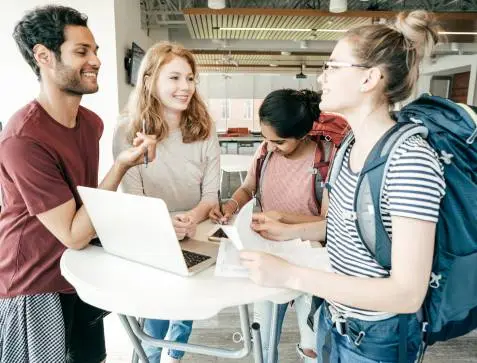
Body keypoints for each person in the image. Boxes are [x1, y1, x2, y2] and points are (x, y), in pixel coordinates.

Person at [241, 10, 446, 363]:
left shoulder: (408, 160)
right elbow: (348, 225)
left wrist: (291, 275)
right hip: (333, 321)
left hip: (376, 341)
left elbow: (407, 293)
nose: (323, 78)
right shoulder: (350, 146)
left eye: (334, 66)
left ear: (370, 79)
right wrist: (287, 229)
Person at [0, 5, 157, 363]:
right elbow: (72, 230)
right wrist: (119, 166)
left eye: (95, 50)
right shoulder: (23, 138)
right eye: (81, 51)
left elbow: (84, 210)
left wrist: (122, 165)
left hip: (80, 272)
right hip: (34, 284)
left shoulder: (91, 124)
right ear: (43, 56)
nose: (96, 60)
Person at [113, 41, 220, 363]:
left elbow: (211, 195)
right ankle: (151, 355)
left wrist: (192, 216)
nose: (185, 87)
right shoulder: (126, 131)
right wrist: (164, 224)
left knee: (185, 305)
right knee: (156, 313)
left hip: (195, 227)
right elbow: (133, 197)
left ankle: (175, 355)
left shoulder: (205, 129)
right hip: (151, 231)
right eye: (174, 78)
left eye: (190, 78)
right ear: (149, 79)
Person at [209, 88, 323, 362]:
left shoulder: (324, 160)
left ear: (304, 133)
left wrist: (279, 217)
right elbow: (248, 188)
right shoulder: (265, 152)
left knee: (312, 343)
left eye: (280, 142)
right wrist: (231, 206)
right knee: (262, 337)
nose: (270, 146)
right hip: (265, 254)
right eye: (266, 138)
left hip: (308, 260)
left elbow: (327, 223)